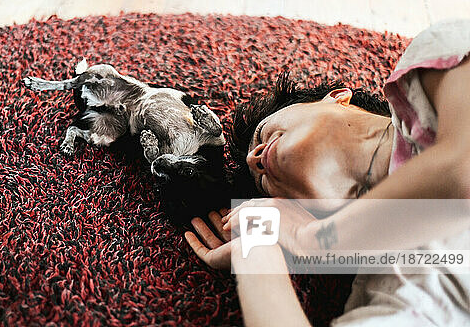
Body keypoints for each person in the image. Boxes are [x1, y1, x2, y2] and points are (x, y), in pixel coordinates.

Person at [185, 19, 470, 326]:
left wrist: (315, 240)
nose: (255, 159)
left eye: (261, 134)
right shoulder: (397, 284)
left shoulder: (432, 67)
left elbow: (461, 173)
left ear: (336, 98)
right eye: (265, 187)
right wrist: (255, 250)